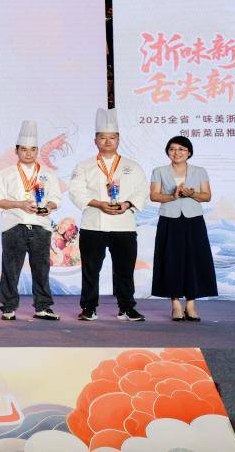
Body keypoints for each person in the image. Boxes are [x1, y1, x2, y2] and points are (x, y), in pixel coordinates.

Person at [70, 107, 149, 322]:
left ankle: (127, 308)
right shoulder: (84, 166)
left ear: (118, 140)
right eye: (103, 137)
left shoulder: (132, 166)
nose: (107, 141)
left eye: (112, 137)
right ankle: (89, 308)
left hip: (124, 225)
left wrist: (127, 204)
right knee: (90, 270)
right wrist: (98, 204)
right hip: (93, 224)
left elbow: (142, 190)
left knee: (125, 270)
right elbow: (76, 191)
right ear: (95, 140)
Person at [0, 120, 62, 321]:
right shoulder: (6, 174)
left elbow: (56, 199)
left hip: (41, 226)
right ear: (17, 150)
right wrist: (20, 204)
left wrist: (48, 207)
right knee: (10, 269)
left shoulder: (48, 174)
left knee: (41, 269)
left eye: (32, 150)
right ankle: (8, 307)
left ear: (37, 151)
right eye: (24, 149)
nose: (28, 154)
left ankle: (43, 307)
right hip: (14, 226)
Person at [149, 135, 217, 321]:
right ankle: (176, 304)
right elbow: (154, 196)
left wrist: (192, 194)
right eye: (172, 149)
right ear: (167, 152)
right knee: (171, 260)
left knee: (194, 260)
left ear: (189, 152)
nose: (176, 152)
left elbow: (207, 196)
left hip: (193, 220)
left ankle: (191, 304)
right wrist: (173, 196)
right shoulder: (159, 171)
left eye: (181, 149)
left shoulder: (200, 171)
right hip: (169, 220)